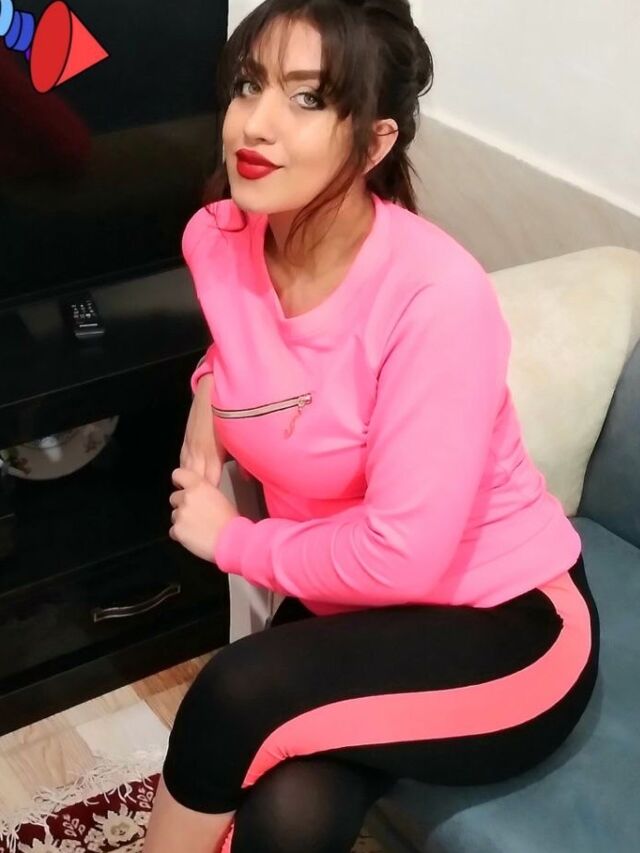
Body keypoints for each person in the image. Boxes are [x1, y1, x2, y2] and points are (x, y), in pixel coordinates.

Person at [144, 1, 600, 851]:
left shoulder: (436, 297)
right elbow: (255, 339)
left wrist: (235, 539)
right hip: (351, 602)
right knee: (288, 812)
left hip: (506, 620)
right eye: (248, 84)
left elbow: (402, 551)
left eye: (308, 99)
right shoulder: (219, 235)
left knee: (234, 692)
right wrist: (209, 391)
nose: (257, 123)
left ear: (375, 141)